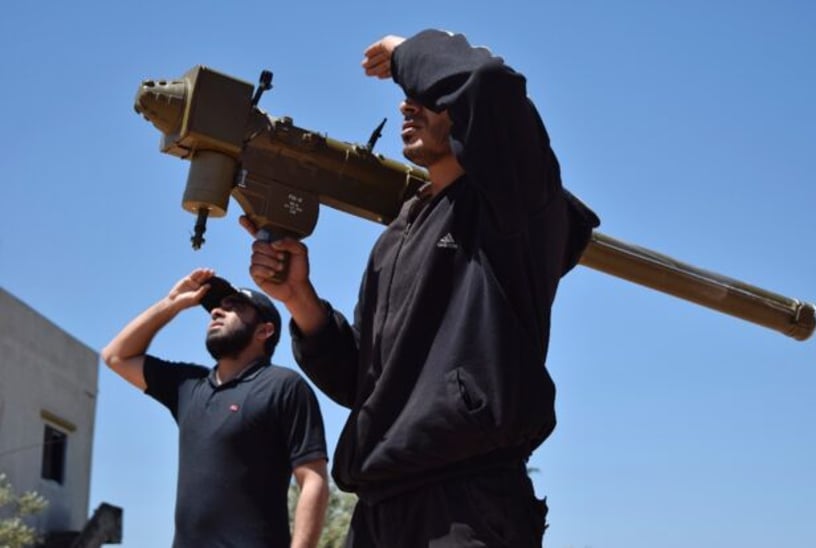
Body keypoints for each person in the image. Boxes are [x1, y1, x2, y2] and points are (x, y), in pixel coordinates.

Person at [244, 29, 600, 547]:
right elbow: (361, 384)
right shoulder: (397, 238)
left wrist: (409, 51)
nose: (408, 107)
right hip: (377, 507)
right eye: (407, 97)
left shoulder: (513, 205)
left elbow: (488, 82)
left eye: (429, 97)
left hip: (464, 505)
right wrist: (301, 300)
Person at [101, 268, 329, 548]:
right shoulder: (188, 385)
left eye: (234, 307)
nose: (217, 313)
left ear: (264, 330)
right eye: (216, 308)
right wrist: (171, 304)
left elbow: (313, 479)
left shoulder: (284, 386)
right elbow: (115, 356)